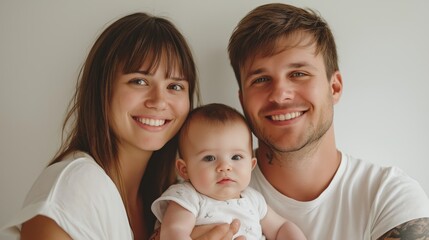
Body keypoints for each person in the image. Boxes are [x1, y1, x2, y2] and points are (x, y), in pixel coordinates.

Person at [226, 3, 429, 239]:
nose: (280, 94)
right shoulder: (202, 189)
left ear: (334, 87)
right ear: (242, 100)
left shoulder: (389, 196)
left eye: (298, 74)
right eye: (261, 80)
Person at [0, 12, 202, 240]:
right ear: (102, 88)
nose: (158, 101)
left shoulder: (173, 199)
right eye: (139, 81)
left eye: (175, 86)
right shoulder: (75, 187)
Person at [151, 103, 307, 240]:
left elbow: (281, 227)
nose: (225, 167)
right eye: (209, 158)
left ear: (251, 165)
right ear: (184, 170)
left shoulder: (253, 200)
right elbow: (174, 231)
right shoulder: (187, 197)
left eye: (236, 157)